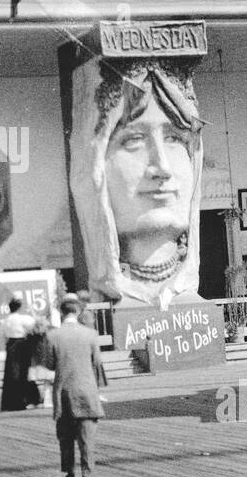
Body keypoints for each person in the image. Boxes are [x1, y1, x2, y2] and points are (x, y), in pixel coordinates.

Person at [68, 58, 205, 305]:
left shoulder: (189, 298)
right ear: (93, 167)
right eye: (134, 140)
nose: (162, 167)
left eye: (174, 138)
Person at [43, 297, 106, 477]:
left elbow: (49, 364)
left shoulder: (52, 336)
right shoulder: (91, 334)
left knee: (66, 438)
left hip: (64, 393)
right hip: (86, 391)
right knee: (87, 439)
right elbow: (97, 362)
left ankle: (69, 475)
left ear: (61, 313)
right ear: (78, 312)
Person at [0, 296, 41, 411]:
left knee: (11, 374)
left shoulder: (5, 321)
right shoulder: (23, 319)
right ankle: (27, 399)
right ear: (19, 307)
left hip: (10, 346)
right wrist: (33, 312)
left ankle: (11, 402)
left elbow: (2, 336)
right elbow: (37, 324)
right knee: (23, 373)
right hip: (22, 346)